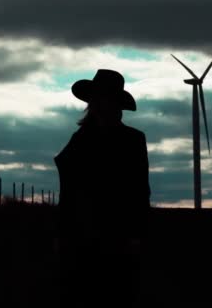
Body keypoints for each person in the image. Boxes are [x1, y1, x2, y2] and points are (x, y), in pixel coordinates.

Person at [55, 69, 151, 307]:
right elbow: (68, 191)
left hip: (118, 234)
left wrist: (136, 234)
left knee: (118, 294)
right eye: (96, 99)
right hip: (82, 234)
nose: (99, 104)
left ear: (115, 103)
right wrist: (62, 232)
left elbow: (140, 190)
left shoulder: (133, 139)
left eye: (104, 98)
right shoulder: (79, 139)